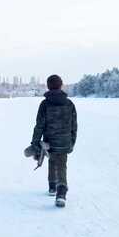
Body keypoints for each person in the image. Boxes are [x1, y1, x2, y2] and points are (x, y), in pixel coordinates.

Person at [30, 75, 77, 208]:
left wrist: (35, 143)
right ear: (61, 85)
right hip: (65, 141)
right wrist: (72, 142)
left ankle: (52, 187)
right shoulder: (69, 104)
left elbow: (39, 125)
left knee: (51, 160)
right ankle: (61, 193)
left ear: (48, 86)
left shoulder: (45, 104)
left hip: (49, 141)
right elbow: (74, 126)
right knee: (62, 165)